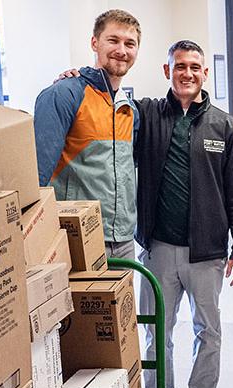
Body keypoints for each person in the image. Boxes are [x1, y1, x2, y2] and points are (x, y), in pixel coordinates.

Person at [131, 40, 233, 388]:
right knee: (156, 328)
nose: (187, 73)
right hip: (160, 247)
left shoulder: (225, 125)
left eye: (194, 67)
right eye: (179, 66)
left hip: (207, 251)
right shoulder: (147, 116)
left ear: (205, 73)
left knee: (208, 329)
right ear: (168, 71)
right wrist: (81, 78)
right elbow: (105, 106)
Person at [34, 9, 142, 260]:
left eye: (130, 44)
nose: (122, 50)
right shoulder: (64, 94)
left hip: (124, 238)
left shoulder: (129, 109)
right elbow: (38, 174)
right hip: (77, 235)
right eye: (113, 40)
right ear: (95, 42)